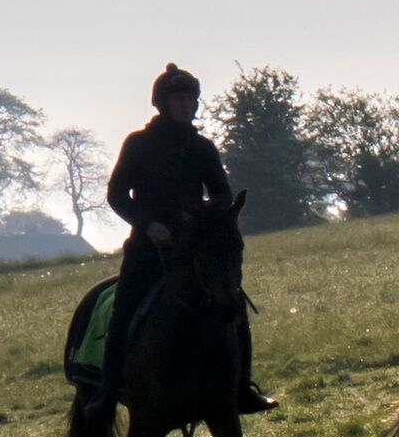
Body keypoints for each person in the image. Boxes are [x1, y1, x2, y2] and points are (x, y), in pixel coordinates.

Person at [100, 64, 276, 411]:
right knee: (123, 312)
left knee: (234, 306)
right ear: (162, 103)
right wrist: (149, 224)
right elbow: (117, 195)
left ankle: (241, 387)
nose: (186, 105)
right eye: (178, 98)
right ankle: (107, 392)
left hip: (195, 250)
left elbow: (223, 195)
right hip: (148, 250)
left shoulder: (203, 148)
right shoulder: (138, 144)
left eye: (190, 99)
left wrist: (201, 215)